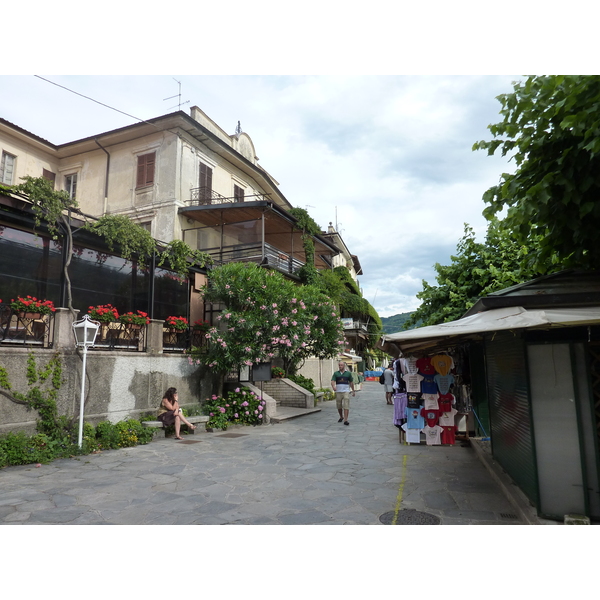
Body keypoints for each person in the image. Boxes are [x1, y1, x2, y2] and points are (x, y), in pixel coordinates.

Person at [331, 361, 356, 426]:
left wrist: (353, 390)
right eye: (339, 365)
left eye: (341, 365)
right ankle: (341, 416)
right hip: (338, 391)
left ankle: (345, 419)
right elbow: (333, 381)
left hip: (346, 391)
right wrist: (333, 386)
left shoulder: (348, 373)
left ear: (344, 366)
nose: (340, 366)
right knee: (339, 405)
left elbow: (351, 382)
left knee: (346, 405)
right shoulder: (336, 373)